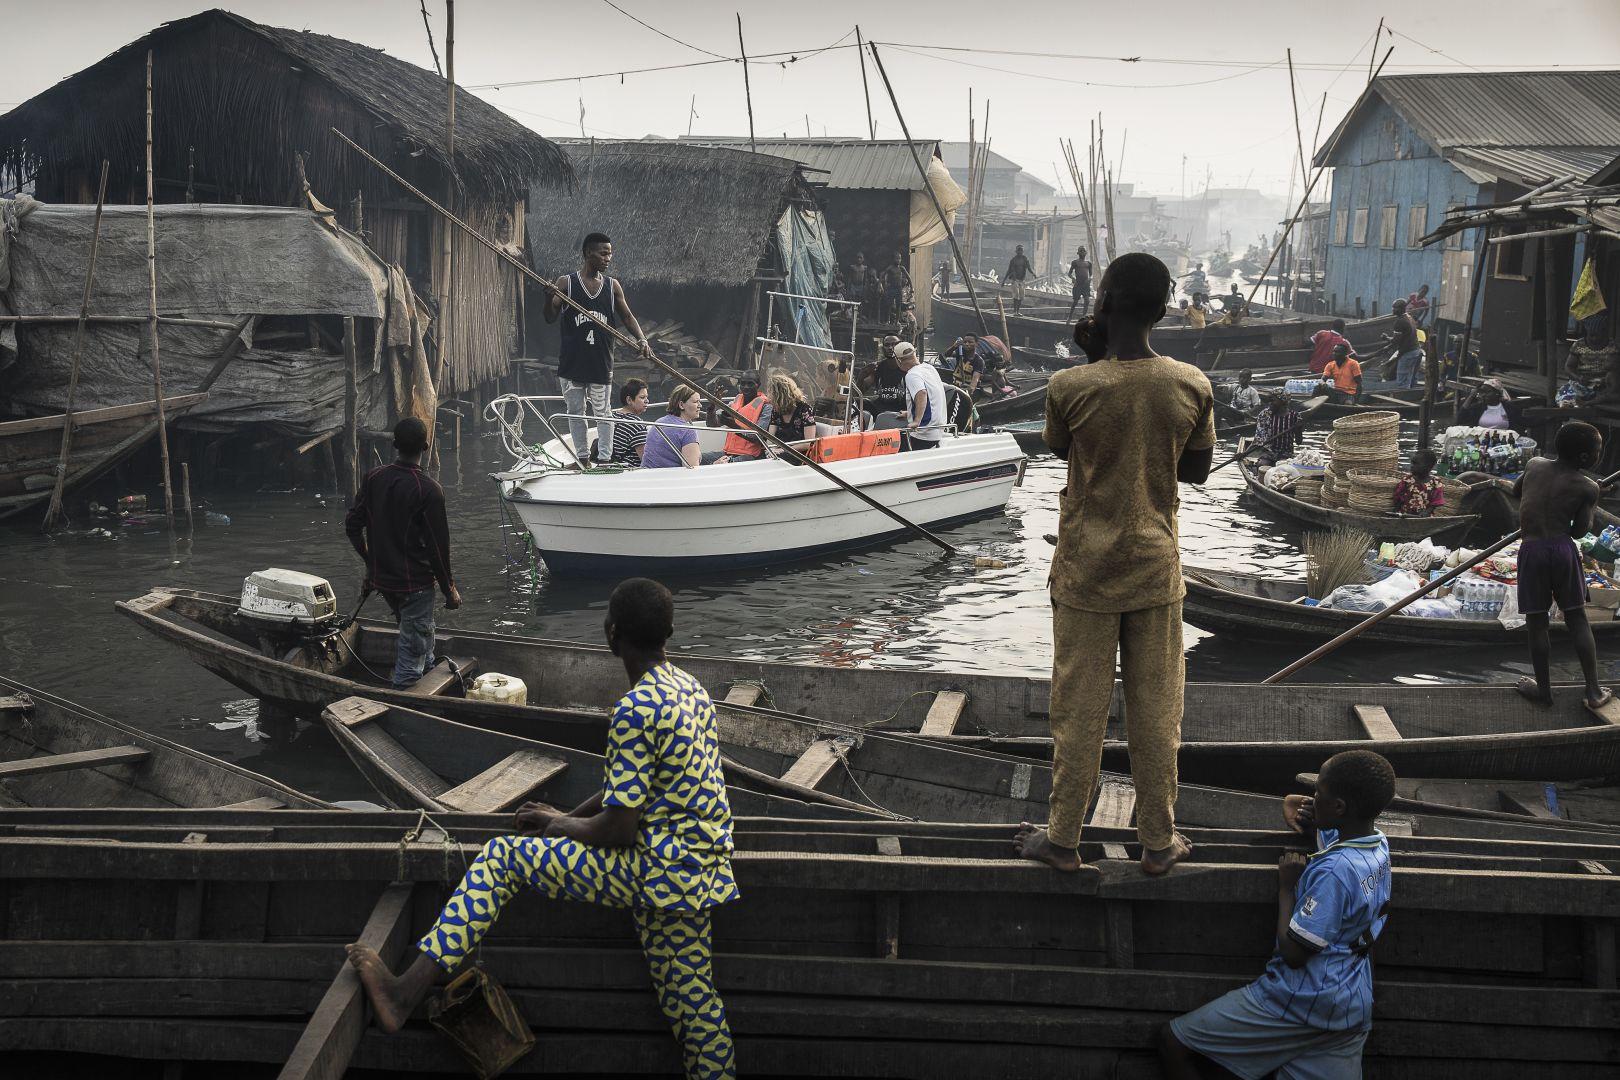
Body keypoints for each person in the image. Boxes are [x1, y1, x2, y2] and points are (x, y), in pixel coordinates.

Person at [345, 578, 737, 1079]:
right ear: (668, 634)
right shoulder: (690, 689)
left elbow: (618, 829)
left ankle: (403, 994)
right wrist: (565, 816)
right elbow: (629, 788)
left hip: (654, 869)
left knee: (502, 859)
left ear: (610, 634)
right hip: (701, 869)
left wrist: (562, 826)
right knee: (694, 1007)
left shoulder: (636, 709)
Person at [1016, 252, 1214, 876]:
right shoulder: (1190, 385)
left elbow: (1058, 447)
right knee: (1158, 714)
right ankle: (1159, 843)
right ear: (1162, 310)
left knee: (1078, 715)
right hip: (1156, 569)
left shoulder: (1069, 387)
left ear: (1102, 303)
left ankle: (1063, 840)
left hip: (1085, 573)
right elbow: (1197, 470)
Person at [1160, 750, 1395, 1080]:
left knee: (1175, 1042)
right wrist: (1304, 809)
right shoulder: (1378, 846)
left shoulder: (1333, 872)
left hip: (1304, 1000)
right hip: (1351, 1003)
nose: (1312, 798)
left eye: (1318, 794)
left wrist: (1287, 888)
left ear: (1339, 807)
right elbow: (1337, 836)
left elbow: (1295, 953)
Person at [343, 417, 462, 689]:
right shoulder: (429, 490)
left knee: (418, 640)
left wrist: (371, 563)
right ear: (426, 445)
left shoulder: (374, 477)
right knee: (410, 662)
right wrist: (450, 591)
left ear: (394, 445)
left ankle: (429, 674)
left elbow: (352, 526)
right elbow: (438, 550)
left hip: (385, 583)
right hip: (414, 586)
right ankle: (405, 702)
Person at [1507, 421, 1613, 709]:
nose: (1599, 455)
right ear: (1585, 458)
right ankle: (1593, 692)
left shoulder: (1534, 464)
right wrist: (1590, 500)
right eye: (1598, 451)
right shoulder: (1587, 487)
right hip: (1561, 551)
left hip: (1531, 550)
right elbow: (1579, 531)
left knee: (1536, 623)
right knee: (1577, 618)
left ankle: (1544, 690)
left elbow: (1517, 493)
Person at [545, 233, 654, 465]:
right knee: (576, 413)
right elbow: (550, 316)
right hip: (572, 363)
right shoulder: (567, 283)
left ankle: (604, 460)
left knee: (603, 414)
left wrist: (642, 340)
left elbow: (627, 316)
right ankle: (582, 458)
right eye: (603, 253)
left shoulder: (612, 286)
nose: (608, 258)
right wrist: (548, 298)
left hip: (601, 363)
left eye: (610, 253)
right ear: (588, 253)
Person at [706, 375, 773, 464]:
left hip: (751, 456)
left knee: (720, 465)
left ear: (758, 385)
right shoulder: (736, 401)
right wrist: (712, 406)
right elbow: (712, 424)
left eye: (750, 384)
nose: (746, 387)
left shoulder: (766, 407)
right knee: (699, 458)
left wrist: (733, 426)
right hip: (729, 453)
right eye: (743, 383)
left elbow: (758, 438)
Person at [893, 341, 946, 451]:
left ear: (898, 360)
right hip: (937, 431)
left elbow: (922, 393)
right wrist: (909, 413)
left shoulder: (912, 375)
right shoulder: (929, 368)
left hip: (923, 435)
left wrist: (916, 421)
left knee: (890, 446)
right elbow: (932, 398)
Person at [643, 385, 704, 470]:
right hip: (670, 478)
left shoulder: (659, 422)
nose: (700, 405)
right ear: (681, 405)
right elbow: (693, 470)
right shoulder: (688, 431)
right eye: (696, 402)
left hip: (648, 474)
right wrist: (715, 465)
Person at [604, 378, 652, 466]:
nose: (647, 401)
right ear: (629, 400)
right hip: (630, 470)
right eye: (642, 397)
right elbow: (646, 459)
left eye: (646, 397)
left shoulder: (613, 416)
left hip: (612, 466)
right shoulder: (637, 424)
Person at [1253, 391, 1304, 467]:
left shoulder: (1295, 416)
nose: (1270, 403)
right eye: (1270, 400)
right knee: (1262, 466)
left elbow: (1299, 442)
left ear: (1283, 401)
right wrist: (1243, 454)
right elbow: (1258, 439)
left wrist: (1299, 429)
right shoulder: (1265, 414)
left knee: (1282, 469)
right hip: (1268, 452)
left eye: (1273, 400)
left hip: (1286, 454)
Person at [765, 372, 816, 444]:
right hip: (777, 451)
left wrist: (782, 450)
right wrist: (769, 450)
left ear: (780, 395)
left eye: (771, 392)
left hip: (797, 453)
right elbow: (770, 438)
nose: (768, 396)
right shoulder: (776, 410)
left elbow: (808, 443)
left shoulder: (805, 409)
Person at [1393, 449, 1444, 517]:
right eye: (1412, 463)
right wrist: (1395, 512)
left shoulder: (1435, 483)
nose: (1412, 466)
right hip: (1405, 516)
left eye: (1416, 463)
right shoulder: (1407, 480)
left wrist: (1427, 512)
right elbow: (1399, 498)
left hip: (1424, 518)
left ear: (1428, 466)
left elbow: (1436, 502)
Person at [1383, 298, 1421, 389]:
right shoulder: (1409, 317)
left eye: (1395, 307)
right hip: (1416, 351)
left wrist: (1387, 344)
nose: (1393, 309)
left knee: (1402, 380)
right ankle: (1409, 395)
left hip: (1408, 353)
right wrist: (1388, 340)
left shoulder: (1399, 322)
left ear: (1401, 308)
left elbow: (1396, 341)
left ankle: (1402, 397)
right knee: (1409, 378)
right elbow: (1402, 338)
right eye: (1393, 307)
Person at [1456, 380, 1522, 430]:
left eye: (1487, 392)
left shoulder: (1509, 408)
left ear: (1497, 393)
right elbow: (1460, 419)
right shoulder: (1478, 408)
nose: (1483, 394)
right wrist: (1471, 396)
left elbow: (1520, 423)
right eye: (1482, 392)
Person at [879, 251, 912, 323]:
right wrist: (880, 285)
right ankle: (888, 320)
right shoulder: (890, 268)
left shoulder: (901, 268)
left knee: (898, 305)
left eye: (899, 258)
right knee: (889, 305)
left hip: (898, 289)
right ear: (893, 259)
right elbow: (882, 275)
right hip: (891, 289)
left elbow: (909, 278)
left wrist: (912, 288)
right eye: (896, 258)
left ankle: (897, 321)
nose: (898, 260)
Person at [1067, 246, 1093, 319]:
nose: (1082, 252)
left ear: (1086, 253)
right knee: (1075, 302)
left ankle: (1083, 316)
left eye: (1083, 251)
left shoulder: (1088, 263)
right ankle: (1070, 316)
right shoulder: (1075, 262)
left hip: (1085, 285)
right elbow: (1069, 273)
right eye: (1081, 251)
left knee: (1087, 301)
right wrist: (1073, 278)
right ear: (1078, 253)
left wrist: (1090, 278)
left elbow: (1091, 274)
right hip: (1078, 284)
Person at [1005, 245, 1033, 314]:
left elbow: (1029, 268)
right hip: (1015, 280)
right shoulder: (1013, 260)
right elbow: (1008, 270)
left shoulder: (1025, 259)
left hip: (1022, 280)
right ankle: (1015, 311)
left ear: (1023, 252)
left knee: (1021, 297)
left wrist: (1033, 274)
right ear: (1016, 251)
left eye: (1021, 251)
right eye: (1019, 250)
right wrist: (1003, 281)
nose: (1020, 252)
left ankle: (1018, 311)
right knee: (1016, 296)